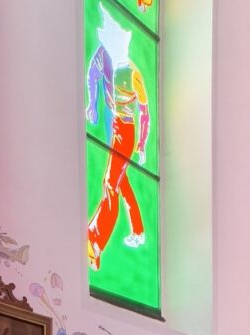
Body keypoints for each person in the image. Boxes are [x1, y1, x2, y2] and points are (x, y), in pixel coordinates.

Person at [87, 5, 149, 270]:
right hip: (112, 126)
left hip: (126, 130)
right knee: (121, 183)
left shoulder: (132, 73)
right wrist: (92, 103)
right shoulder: (104, 56)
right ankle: (139, 230)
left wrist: (142, 144)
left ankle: (95, 241)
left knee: (110, 183)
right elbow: (92, 74)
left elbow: (144, 112)